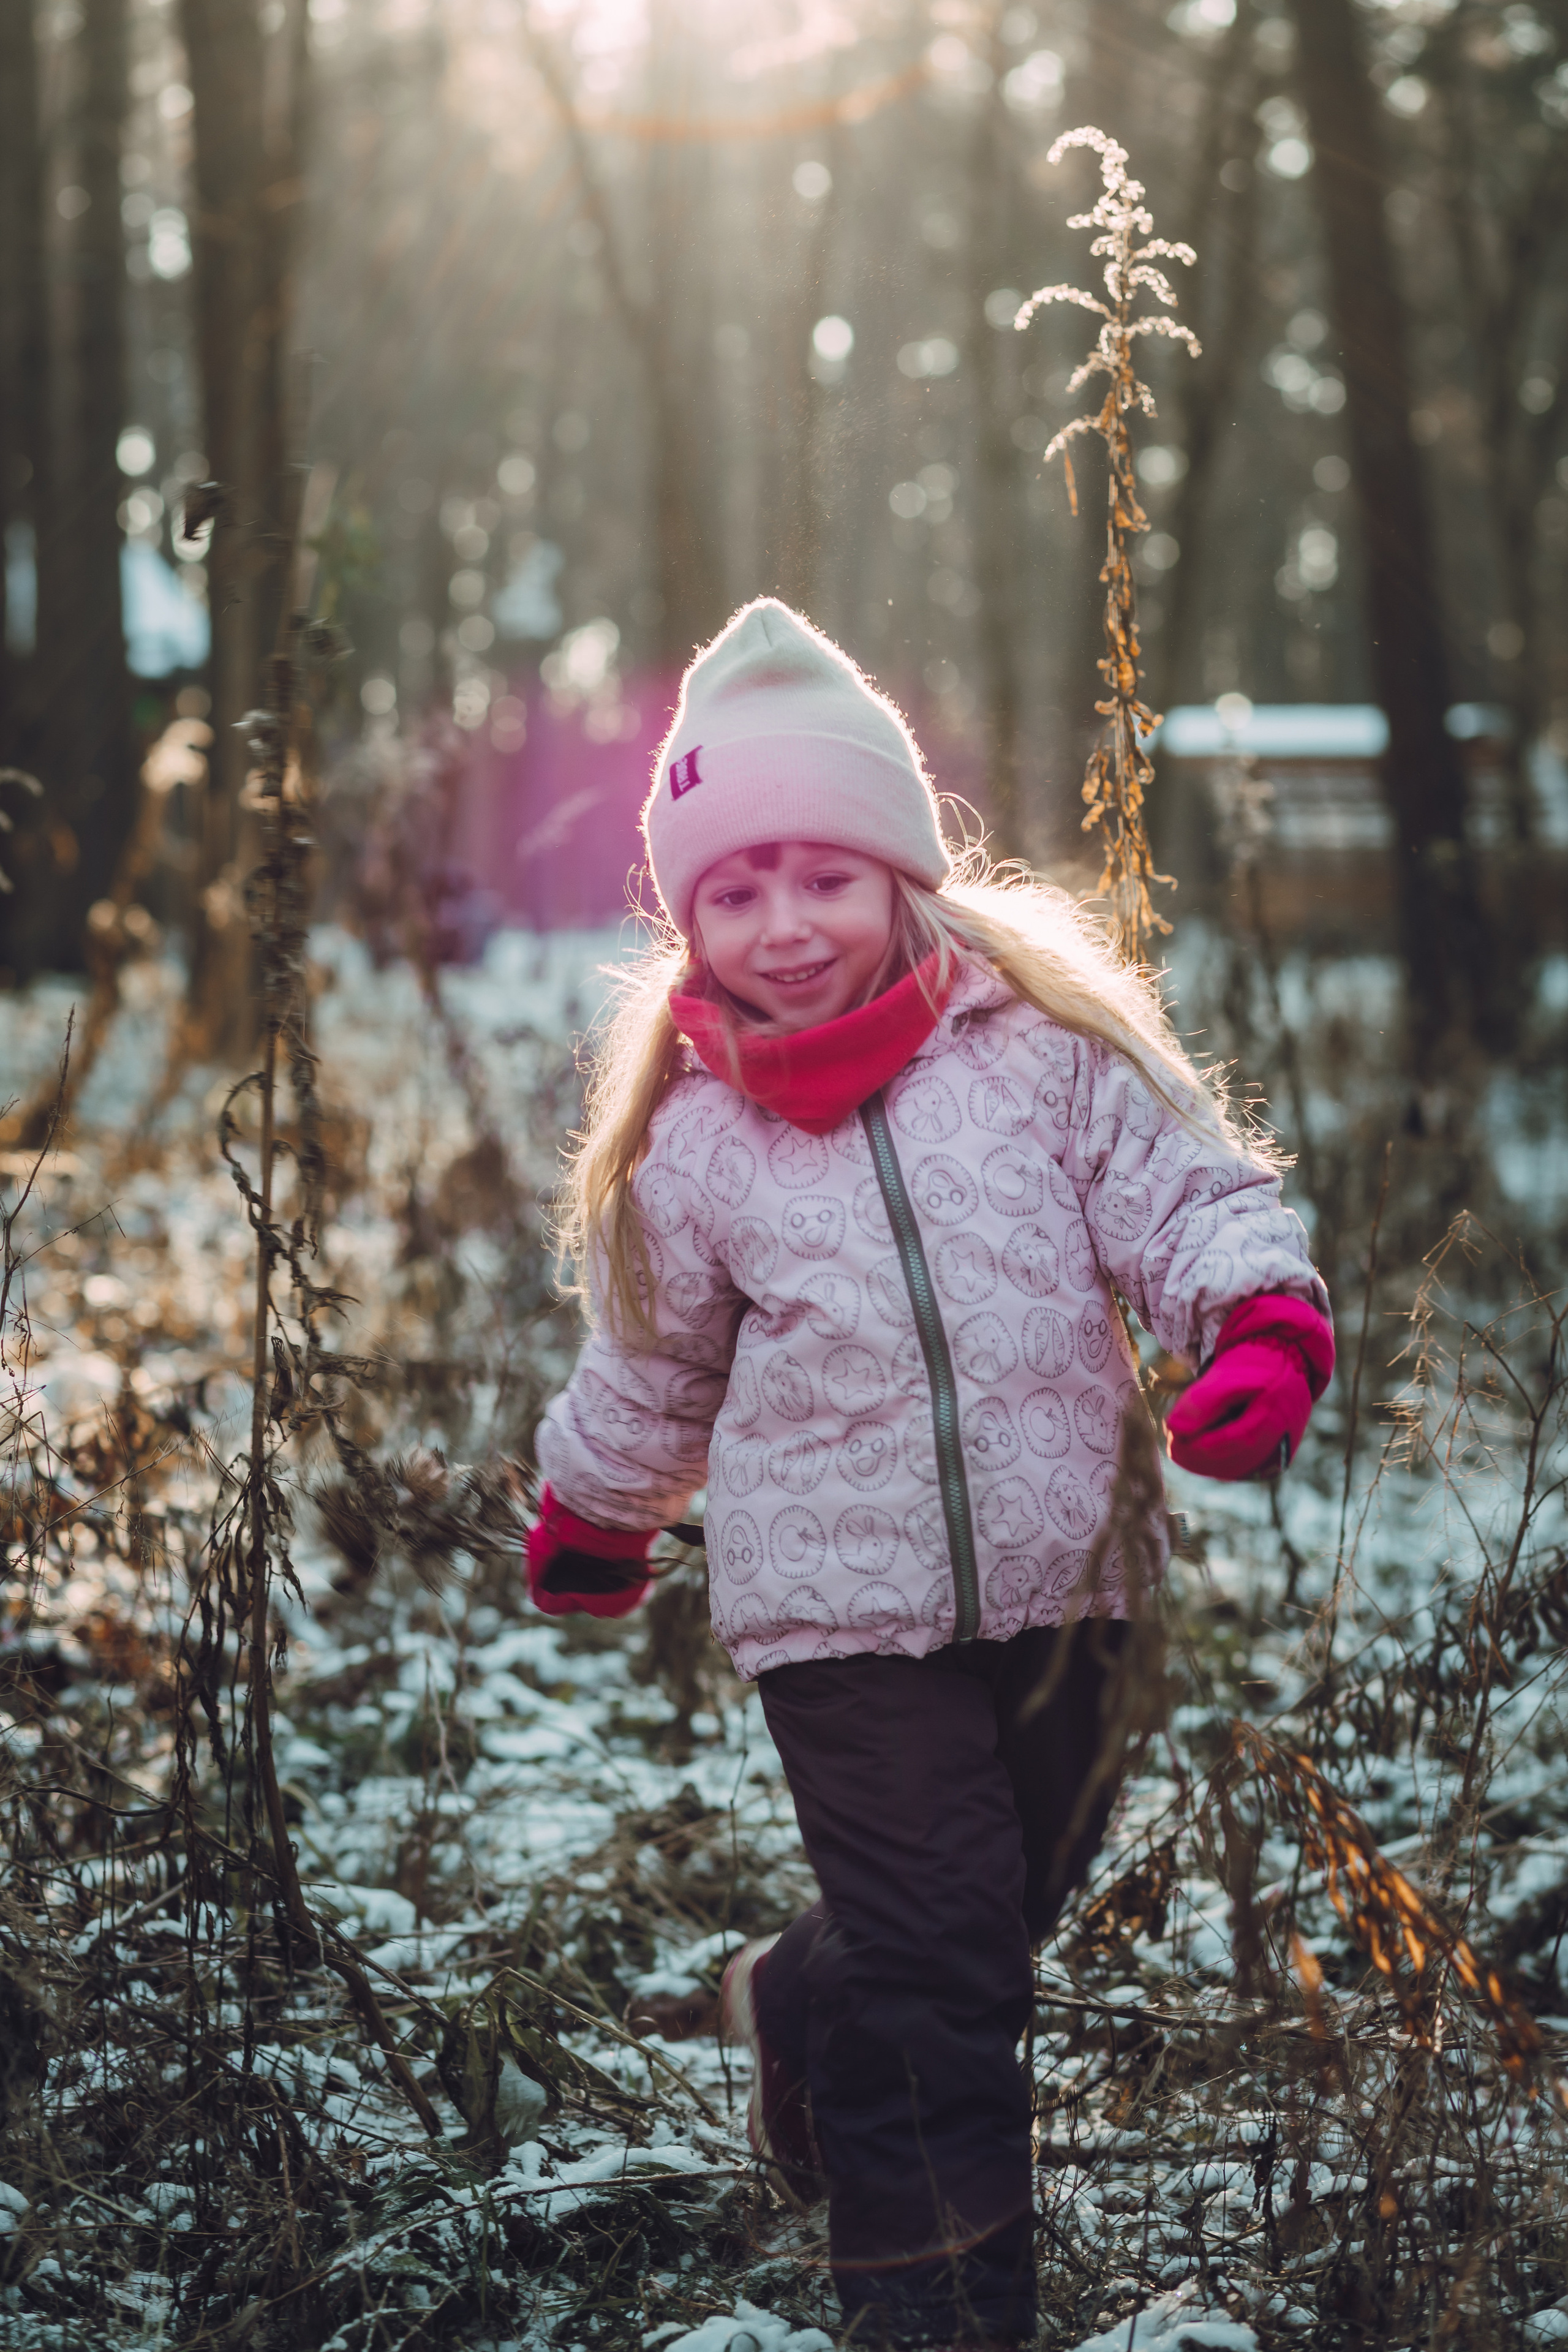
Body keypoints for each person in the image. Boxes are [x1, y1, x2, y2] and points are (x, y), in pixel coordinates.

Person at [526, 599, 1333, 2347]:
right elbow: (656, 1357)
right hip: (834, 1614)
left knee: (988, 1912)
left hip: (1074, 1585)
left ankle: (799, 2000)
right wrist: (598, 1502)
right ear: (683, 912)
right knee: (952, 1981)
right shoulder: (695, 1131)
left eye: (823, 875)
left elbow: (1193, 1201)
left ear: (902, 866)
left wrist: (1257, 1329)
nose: (783, 927)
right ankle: (939, 2313)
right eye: (731, 890)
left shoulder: (1045, 1048)